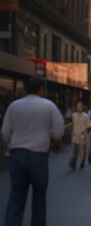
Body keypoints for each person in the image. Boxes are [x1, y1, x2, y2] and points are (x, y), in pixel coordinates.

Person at [1, 76, 64, 226]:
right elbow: (58, 131)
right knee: (39, 198)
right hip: (38, 156)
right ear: (41, 88)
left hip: (16, 154)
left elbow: (5, 132)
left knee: (16, 196)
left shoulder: (14, 106)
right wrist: (49, 137)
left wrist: (13, 142)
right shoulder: (48, 106)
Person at [66, 102, 91, 170]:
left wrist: (85, 129)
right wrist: (68, 125)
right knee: (73, 151)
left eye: (80, 106)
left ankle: (82, 162)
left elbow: (89, 124)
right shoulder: (74, 115)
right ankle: (72, 164)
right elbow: (73, 123)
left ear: (82, 107)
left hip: (82, 135)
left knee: (82, 151)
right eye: (78, 106)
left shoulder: (86, 116)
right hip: (75, 134)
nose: (79, 108)